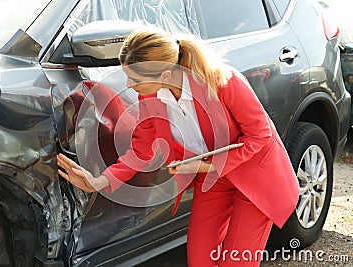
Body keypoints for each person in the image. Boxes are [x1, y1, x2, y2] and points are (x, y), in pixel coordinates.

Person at [57, 27, 299, 266]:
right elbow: (141, 151)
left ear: (164, 76)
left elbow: (260, 136)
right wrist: (100, 181)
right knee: (199, 260)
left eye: (135, 79)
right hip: (213, 181)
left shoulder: (224, 81)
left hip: (255, 176)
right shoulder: (149, 97)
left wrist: (206, 165)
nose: (129, 85)